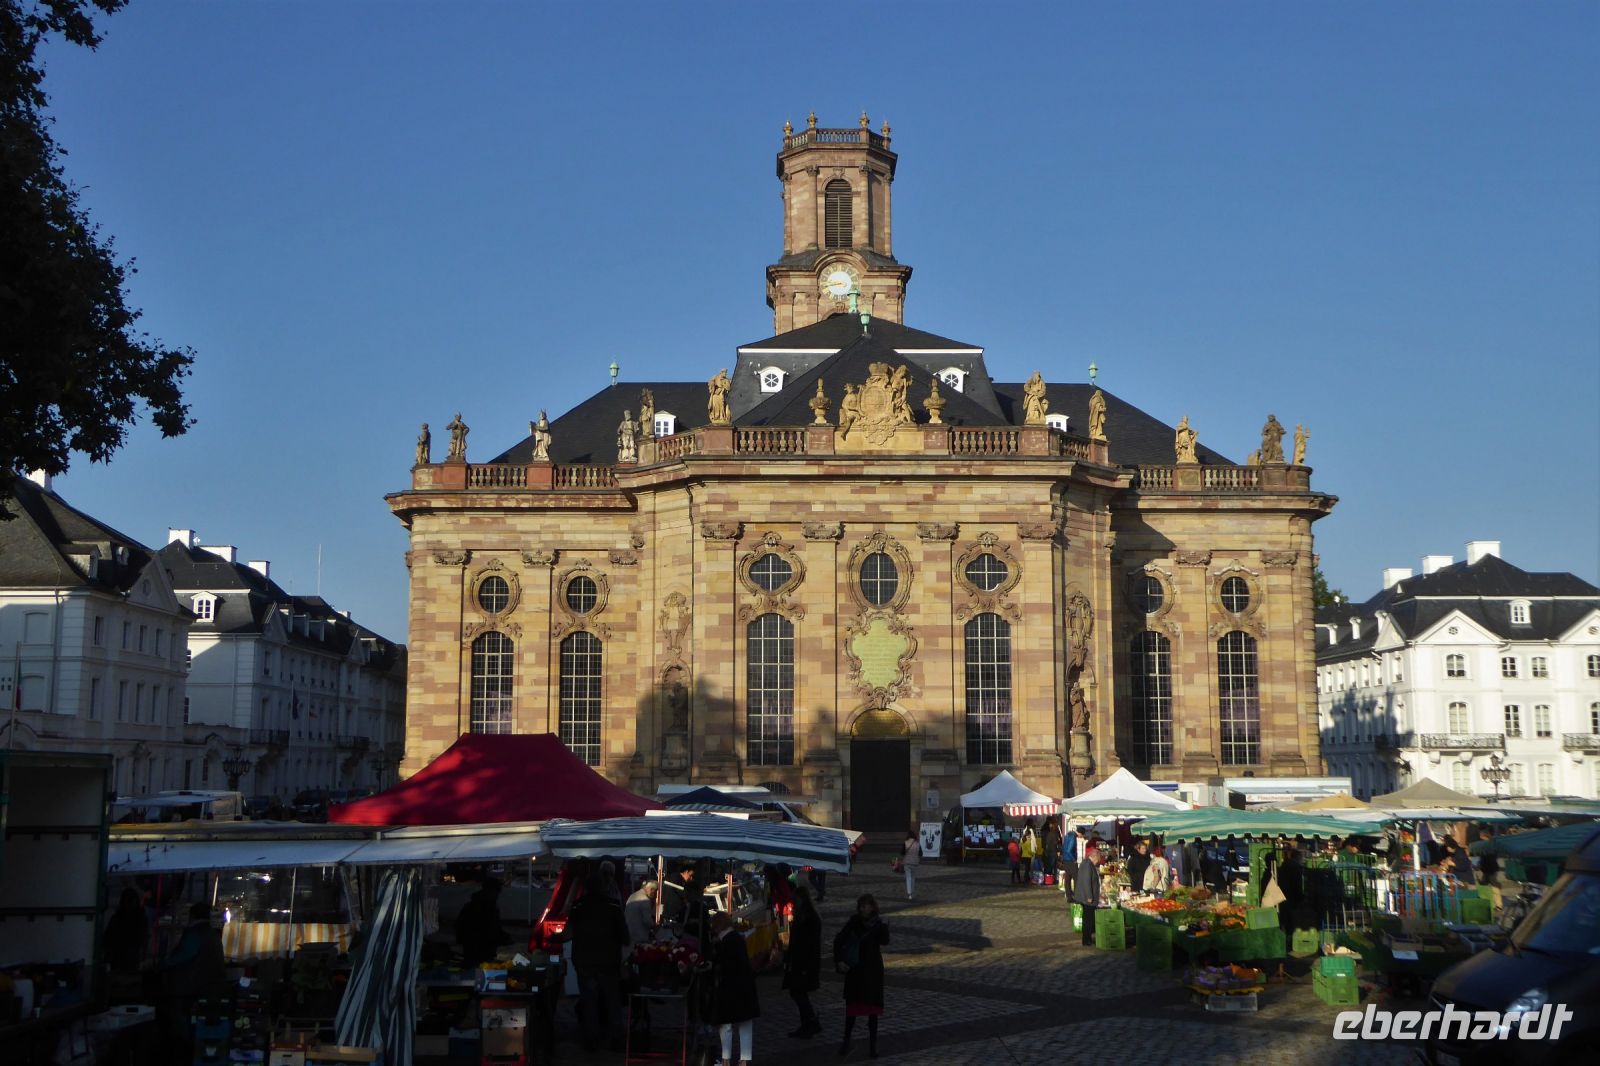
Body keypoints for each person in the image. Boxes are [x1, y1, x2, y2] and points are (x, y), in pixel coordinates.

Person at [566, 875, 629, 1052]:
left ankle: (591, 1038)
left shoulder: (578, 906)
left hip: (584, 961)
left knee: (589, 1001)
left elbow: (567, 934)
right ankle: (616, 1037)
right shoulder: (614, 906)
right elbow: (625, 937)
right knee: (612, 1000)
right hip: (608, 961)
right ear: (604, 888)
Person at [159, 902, 224, 1056]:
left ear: (192, 916)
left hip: (190, 986)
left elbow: (181, 956)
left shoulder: (196, 934)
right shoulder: (212, 934)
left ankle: (183, 1050)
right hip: (208, 986)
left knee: (179, 1017)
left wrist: (161, 964)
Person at [833, 894, 889, 1058]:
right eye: (861, 906)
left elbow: (885, 941)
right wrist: (839, 960)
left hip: (872, 972)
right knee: (851, 1011)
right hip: (856, 971)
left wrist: (884, 928)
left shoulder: (878, 924)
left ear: (872, 907)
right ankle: (846, 1042)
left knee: (873, 1012)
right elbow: (839, 941)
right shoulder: (853, 923)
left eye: (865, 906)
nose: (863, 909)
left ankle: (872, 1047)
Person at [704, 911, 759, 1065]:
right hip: (745, 987)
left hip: (730, 988)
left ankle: (726, 1058)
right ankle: (744, 1060)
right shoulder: (737, 939)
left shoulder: (725, 942)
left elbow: (723, 965)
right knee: (745, 1023)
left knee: (726, 1024)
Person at [783, 883, 822, 1038]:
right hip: (799, 962)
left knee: (799, 992)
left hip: (805, 963)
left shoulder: (810, 918)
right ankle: (808, 1024)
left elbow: (810, 944)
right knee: (798, 993)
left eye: (796, 900)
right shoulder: (803, 916)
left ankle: (810, 1022)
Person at [455, 876, 508, 969]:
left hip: (479, 949)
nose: (497, 895)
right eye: (496, 892)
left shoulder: (486, 905)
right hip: (477, 949)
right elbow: (488, 928)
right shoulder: (481, 907)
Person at [104, 886, 148, 975]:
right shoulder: (140, 918)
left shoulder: (118, 918)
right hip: (129, 958)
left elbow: (108, 938)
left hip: (121, 958)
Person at [1073, 846, 1103, 946]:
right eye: (1098, 860)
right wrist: (1089, 896)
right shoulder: (1087, 865)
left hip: (1086, 896)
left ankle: (1088, 938)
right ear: (1094, 857)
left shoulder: (1087, 864)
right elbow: (1086, 882)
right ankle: (1086, 939)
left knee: (1088, 918)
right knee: (1088, 919)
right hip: (1087, 898)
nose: (1098, 862)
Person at [661, 864, 701, 932]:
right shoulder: (676, 879)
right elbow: (684, 894)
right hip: (672, 912)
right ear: (686, 872)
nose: (691, 878)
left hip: (672, 911)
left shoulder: (676, 878)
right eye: (690, 876)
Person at [624, 880, 658, 946]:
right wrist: (655, 926)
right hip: (639, 937)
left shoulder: (632, 896)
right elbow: (647, 921)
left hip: (629, 935)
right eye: (655, 892)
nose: (655, 895)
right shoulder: (645, 900)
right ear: (652, 889)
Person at [901, 831, 921, 900]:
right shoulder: (918, 844)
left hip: (907, 862)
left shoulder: (905, 843)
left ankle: (909, 893)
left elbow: (902, 852)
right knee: (913, 878)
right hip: (915, 862)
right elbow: (921, 853)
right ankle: (911, 892)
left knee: (908, 878)